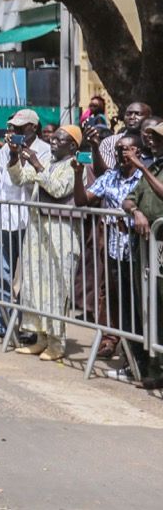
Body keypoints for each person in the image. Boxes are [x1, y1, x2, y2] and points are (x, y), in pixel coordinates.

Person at [10, 125, 81, 361]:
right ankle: (40, 338)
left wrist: (38, 166)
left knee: (55, 290)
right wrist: (14, 155)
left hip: (60, 236)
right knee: (35, 286)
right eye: (52, 138)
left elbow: (59, 189)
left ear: (72, 146)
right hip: (38, 234)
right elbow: (21, 178)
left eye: (59, 140)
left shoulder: (74, 167)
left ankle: (56, 342)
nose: (53, 142)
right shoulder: (49, 162)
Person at [0, 108, 51, 341]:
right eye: (12, 128)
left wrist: (24, 156)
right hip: (3, 217)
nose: (13, 132)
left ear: (32, 127)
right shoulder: (4, 148)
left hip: (29, 220)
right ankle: (2, 324)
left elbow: (36, 180)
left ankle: (27, 326)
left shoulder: (44, 150)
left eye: (19, 128)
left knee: (28, 277)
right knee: (1, 274)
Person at [75, 132, 143, 370]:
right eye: (118, 150)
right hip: (114, 251)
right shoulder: (111, 176)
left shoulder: (144, 176)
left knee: (138, 307)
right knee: (119, 305)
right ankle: (129, 358)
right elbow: (83, 200)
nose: (120, 153)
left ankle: (141, 362)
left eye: (126, 149)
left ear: (138, 152)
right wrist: (77, 174)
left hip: (139, 254)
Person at [119, 118, 163, 390]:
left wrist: (141, 169)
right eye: (151, 137)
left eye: (158, 137)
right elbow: (128, 198)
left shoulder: (149, 169)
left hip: (161, 245)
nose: (152, 141)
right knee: (150, 306)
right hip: (145, 247)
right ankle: (155, 366)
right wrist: (135, 211)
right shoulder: (153, 166)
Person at [96, 102, 151, 177]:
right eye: (128, 114)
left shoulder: (154, 143)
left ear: (148, 118)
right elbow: (105, 174)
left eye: (138, 114)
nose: (132, 117)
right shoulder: (109, 142)